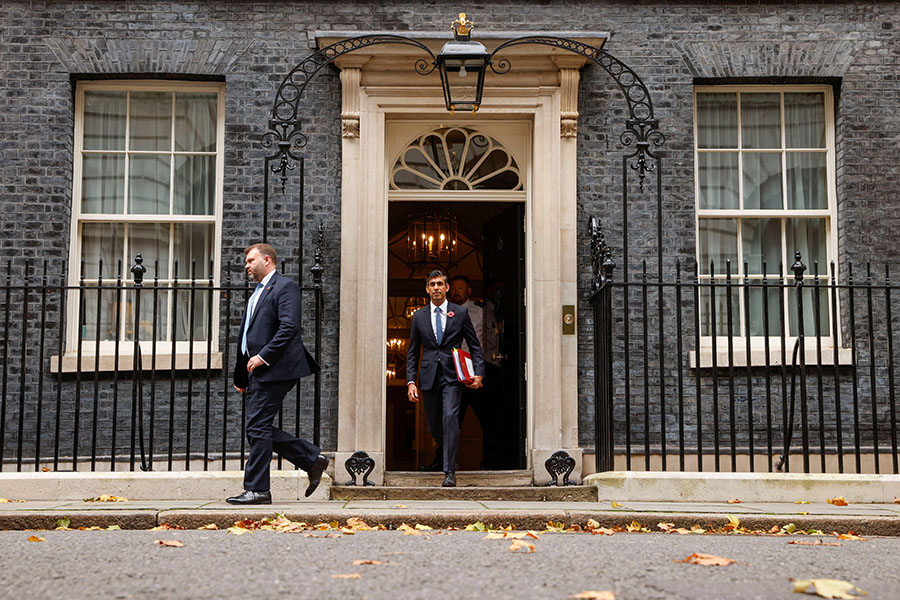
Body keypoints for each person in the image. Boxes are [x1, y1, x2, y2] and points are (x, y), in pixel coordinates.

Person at [227, 243, 328, 505]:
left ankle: (259, 489)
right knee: (256, 427)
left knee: (256, 426)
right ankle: (311, 459)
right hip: (256, 370)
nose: (246, 265)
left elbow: (289, 327)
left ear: (267, 259)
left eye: (250, 260)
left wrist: (264, 356)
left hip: (276, 368)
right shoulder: (256, 293)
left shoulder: (285, 287)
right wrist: (241, 375)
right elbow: (248, 336)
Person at [406, 270, 484, 487]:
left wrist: (479, 373)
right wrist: (410, 381)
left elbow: (475, 346)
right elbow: (412, 352)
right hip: (429, 376)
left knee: (450, 417)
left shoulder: (459, 313)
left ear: (447, 288)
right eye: (432, 284)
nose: (437, 288)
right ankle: (450, 449)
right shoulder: (419, 316)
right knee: (434, 426)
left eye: (440, 284)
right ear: (427, 289)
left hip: (453, 376)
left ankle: (449, 471)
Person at [448, 275, 491, 466]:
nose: (456, 292)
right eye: (454, 289)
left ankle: (494, 459)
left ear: (469, 291)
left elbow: (489, 341)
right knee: (450, 418)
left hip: (473, 371)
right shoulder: (445, 312)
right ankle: (444, 460)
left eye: (460, 288)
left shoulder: (480, 311)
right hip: (451, 372)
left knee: (485, 416)